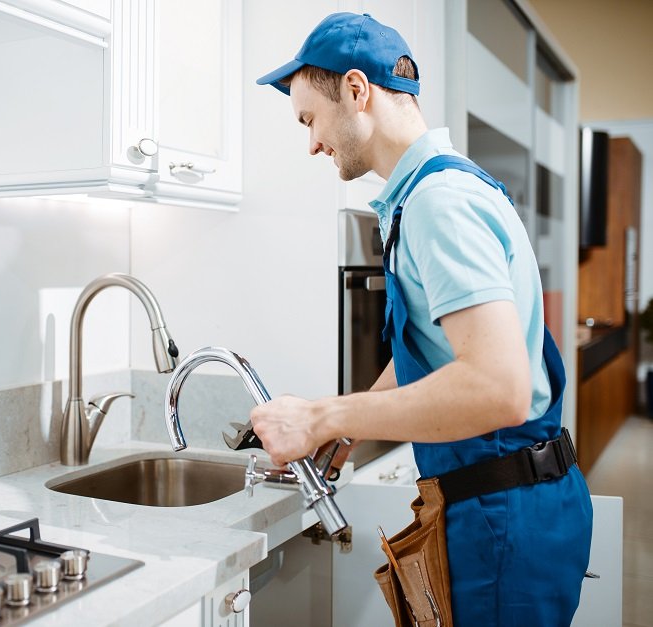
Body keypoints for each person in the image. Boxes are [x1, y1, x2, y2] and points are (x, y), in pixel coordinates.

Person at [250, 12, 593, 627]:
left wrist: (323, 414)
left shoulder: (439, 203)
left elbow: (497, 388)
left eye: (310, 119)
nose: (311, 144)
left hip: (501, 515)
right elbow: (436, 347)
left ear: (357, 92)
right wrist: (350, 428)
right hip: (506, 502)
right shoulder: (437, 190)